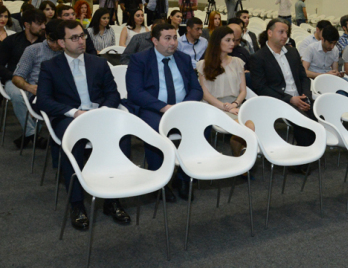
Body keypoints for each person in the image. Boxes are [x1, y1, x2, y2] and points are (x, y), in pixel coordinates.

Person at [37, 20, 130, 230]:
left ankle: (113, 200)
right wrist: (75, 112)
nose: (81, 41)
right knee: (74, 144)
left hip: (99, 114)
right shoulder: (50, 67)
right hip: (70, 117)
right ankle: (77, 204)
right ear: (61, 42)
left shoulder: (98, 62)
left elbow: (112, 93)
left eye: (82, 36)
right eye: (74, 38)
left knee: (121, 139)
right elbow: (43, 100)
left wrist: (104, 111)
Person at [125, 23, 203, 201]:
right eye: (167, 38)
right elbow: (135, 92)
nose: (173, 42)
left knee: (201, 127)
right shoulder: (140, 60)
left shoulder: (183, 58)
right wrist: (164, 107)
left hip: (181, 108)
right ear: (154, 41)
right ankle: (160, 180)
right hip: (154, 108)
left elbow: (196, 89)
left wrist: (184, 106)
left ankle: (183, 177)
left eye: (175, 38)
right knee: (156, 130)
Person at [250, 18, 316, 149]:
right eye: (281, 32)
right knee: (305, 123)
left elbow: (304, 77)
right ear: (269, 33)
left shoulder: (292, 52)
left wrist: (305, 95)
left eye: (287, 32)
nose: (285, 36)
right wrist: (290, 99)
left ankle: (311, 154)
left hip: (300, 98)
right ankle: (303, 162)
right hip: (279, 100)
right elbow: (261, 88)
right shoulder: (259, 57)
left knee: (322, 115)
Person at [196, 26, 255, 157]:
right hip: (214, 107)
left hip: (235, 105)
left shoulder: (238, 62)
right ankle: (241, 153)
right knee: (245, 126)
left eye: (233, 40)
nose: (232, 44)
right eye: (228, 40)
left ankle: (240, 151)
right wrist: (225, 107)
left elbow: (243, 91)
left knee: (251, 123)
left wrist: (234, 104)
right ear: (217, 42)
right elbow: (205, 94)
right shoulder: (203, 64)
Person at [11, 19, 63, 149]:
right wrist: (30, 87)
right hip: (40, 93)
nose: (56, 45)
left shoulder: (68, 50)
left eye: (59, 41)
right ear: (46, 35)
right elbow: (17, 77)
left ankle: (30, 135)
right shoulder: (33, 50)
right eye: (52, 40)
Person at [0, 9, 46, 147]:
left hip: (38, 80)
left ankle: (28, 136)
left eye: (44, 23)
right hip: (14, 79)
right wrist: (14, 77)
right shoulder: (11, 41)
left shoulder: (45, 44)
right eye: (39, 23)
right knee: (17, 94)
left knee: (48, 95)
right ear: (26, 24)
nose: (43, 27)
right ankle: (33, 134)